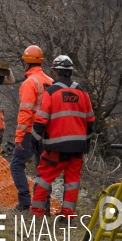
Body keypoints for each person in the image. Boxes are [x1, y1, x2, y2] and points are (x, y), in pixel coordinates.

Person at [30, 55, 94, 220]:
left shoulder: (51, 92)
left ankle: (37, 214)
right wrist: (86, 143)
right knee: (72, 182)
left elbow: (41, 120)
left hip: (55, 148)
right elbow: (90, 123)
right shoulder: (83, 92)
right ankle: (68, 215)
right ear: (71, 73)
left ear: (54, 72)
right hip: (78, 147)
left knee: (44, 179)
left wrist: (34, 140)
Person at [10, 45, 53, 211]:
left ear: (26, 63)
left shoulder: (30, 83)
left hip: (30, 133)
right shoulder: (50, 81)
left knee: (16, 165)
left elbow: (26, 111)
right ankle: (43, 205)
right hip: (48, 133)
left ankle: (24, 202)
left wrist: (19, 136)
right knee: (43, 170)